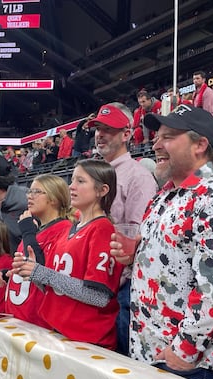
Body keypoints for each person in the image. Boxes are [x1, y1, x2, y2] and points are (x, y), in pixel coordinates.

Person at [112, 104, 213, 379]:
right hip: (153, 356)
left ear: (200, 145)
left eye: (168, 136)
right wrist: (134, 256)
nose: (155, 144)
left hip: (192, 367)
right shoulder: (164, 196)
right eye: (156, 136)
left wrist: (185, 351)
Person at [13, 159, 123, 350]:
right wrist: (30, 271)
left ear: (102, 190)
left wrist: (41, 273)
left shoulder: (103, 229)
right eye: (72, 180)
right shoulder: (70, 229)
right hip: (61, 333)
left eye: (80, 181)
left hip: (88, 340)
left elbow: (98, 296)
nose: (71, 187)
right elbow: (55, 288)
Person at [87, 102, 158, 354]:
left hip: (119, 290)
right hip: (91, 283)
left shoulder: (138, 177)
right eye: (98, 128)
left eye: (109, 129)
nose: (100, 134)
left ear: (127, 134)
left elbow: (138, 239)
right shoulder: (93, 173)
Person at [1, 174, 74, 328]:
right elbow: (28, 267)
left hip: (37, 322)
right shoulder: (37, 230)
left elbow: (42, 270)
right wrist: (9, 274)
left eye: (36, 192)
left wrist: (27, 232)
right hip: (21, 316)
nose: (29, 196)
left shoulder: (63, 229)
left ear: (53, 199)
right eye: (30, 191)